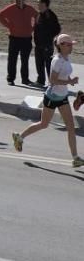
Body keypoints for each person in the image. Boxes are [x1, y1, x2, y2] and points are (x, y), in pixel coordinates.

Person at [12, 34, 83, 168]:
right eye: (69, 44)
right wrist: (69, 81)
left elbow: (63, 74)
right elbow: (52, 80)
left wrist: (70, 81)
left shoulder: (65, 58)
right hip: (52, 97)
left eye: (72, 44)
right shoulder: (57, 60)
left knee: (71, 127)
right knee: (44, 124)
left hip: (62, 97)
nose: (72, 46)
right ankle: (19, 137)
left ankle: (75, 158)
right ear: (61, 46)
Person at [0, 0, 37, 86]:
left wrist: (33, 27)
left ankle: (25, 79)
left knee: (25, 60)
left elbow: (37, 16)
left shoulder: (29, 9)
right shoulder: (11, 8)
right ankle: (10, 79)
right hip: (14, 38)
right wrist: (9, 26)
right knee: (12, 59)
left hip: (26, 38)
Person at [33, 0, 61, 87]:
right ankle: (40, 81)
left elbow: (57, 29)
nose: (38, 5)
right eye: (38, 3)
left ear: (46, 5)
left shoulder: (51, 15)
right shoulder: (39, 14)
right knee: (39, 63)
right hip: (38, 44)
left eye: (40, 3)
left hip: (47, 45)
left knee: (49, 64)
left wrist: (49, 37)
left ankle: (52, 83)